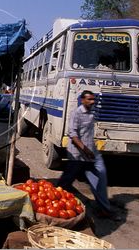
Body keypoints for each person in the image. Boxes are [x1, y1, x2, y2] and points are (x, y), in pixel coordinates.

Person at [57, 90, 118, 220]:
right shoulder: (76, 114)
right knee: (65, 182)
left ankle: (105, 210)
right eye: (89, 99)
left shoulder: (92, 113)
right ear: (83, 100)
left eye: (93, 99)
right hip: (78, 155)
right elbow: (73, 135)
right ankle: (55, 205)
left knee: (100, 179)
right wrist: (85, 150)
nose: (92, 102)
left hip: (92, 154)